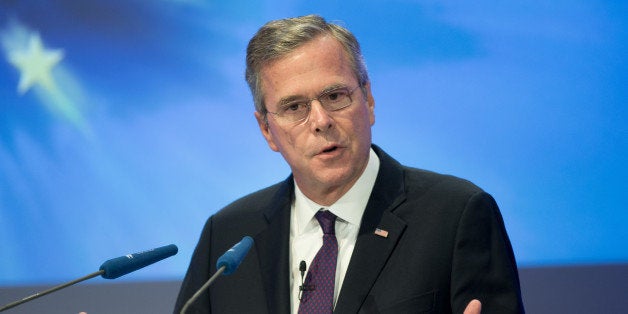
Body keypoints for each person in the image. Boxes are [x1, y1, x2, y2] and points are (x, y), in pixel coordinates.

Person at [174, 14, 524, 314]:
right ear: (267, 129)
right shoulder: (227, 235)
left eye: (335, 96)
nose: (321, 120)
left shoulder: (456, 215)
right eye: (294, 107)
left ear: (368, 100)